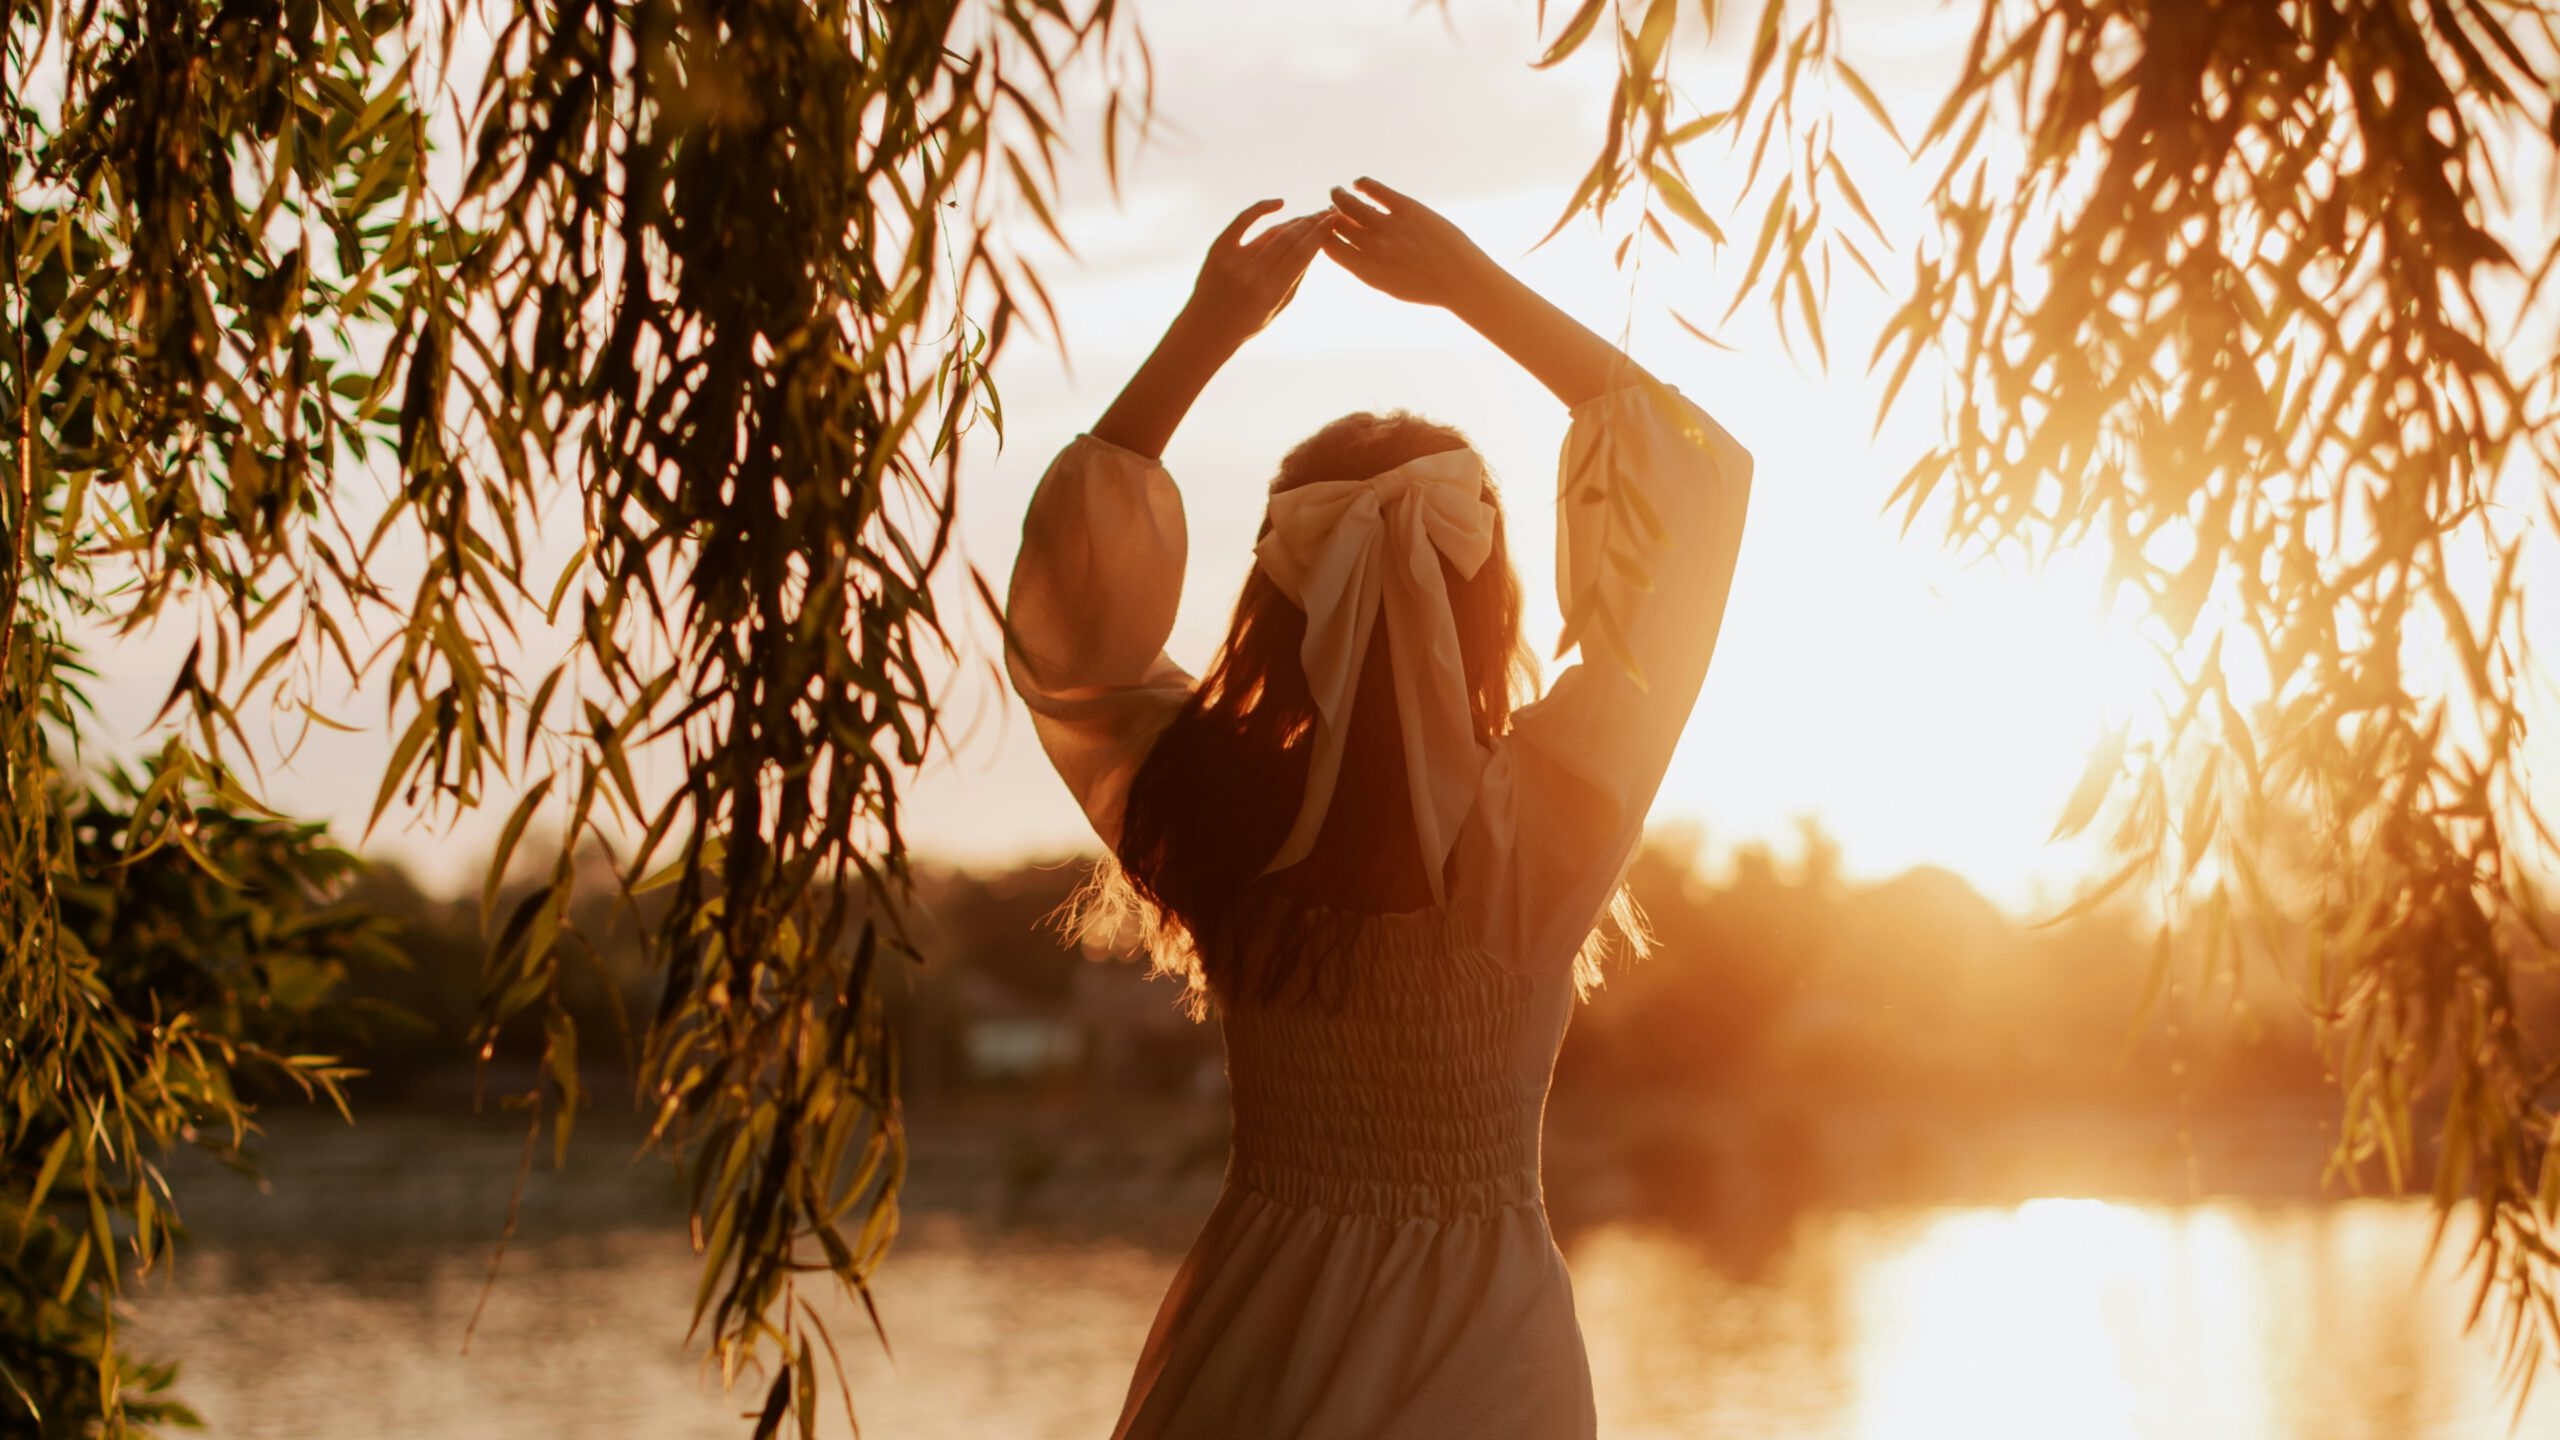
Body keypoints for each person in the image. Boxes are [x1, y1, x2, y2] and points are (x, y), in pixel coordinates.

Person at [1003, 177, 1753, 1440]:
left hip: (1252, 1345)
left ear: (1276, 603)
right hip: (1486, 1360)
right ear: (1492, 598)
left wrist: (1205, 332)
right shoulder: (1537, 833)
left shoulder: (1219, 819)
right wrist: (1471, 284)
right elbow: (1685, 494)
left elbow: (1074, 640)